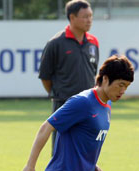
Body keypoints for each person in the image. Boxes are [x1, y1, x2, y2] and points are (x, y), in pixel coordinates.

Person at [23, 55, 134, 171]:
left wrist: (92, 166)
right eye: (121, 85)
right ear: (105, 79)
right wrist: (30, 166)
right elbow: (46, 127)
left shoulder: (107, 104)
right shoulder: (83, 102)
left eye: (126, 87)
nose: (123, 91)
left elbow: (84, 140)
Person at [38, 0, 99, 153]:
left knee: (87, 151)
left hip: (89, 105)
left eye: (91, 16)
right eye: (85, 16)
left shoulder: (94, 42)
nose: (89, 20)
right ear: (72, 17)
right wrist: (59, 93)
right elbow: (45, 76)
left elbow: (93, 72)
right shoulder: (55, 43)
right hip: (64, 104)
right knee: (61, 152)